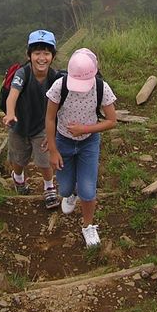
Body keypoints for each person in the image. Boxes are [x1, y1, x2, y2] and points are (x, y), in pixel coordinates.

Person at [45, 47, 117, 247]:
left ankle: (88, 226)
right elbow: (50, 118)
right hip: (64, 141)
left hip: (88, 143)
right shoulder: (60, 86)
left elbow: (112, 121)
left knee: (88, 190)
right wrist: (52, 149)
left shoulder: (102, 88)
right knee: (65, 188)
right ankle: (72, 193)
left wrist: (85, 129)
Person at [2, 29, 61, 209]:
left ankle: (49, 187)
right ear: (29, 55)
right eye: (37, 53)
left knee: (44, 160)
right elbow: (12, 95)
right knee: (19, 160)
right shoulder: (23, 74)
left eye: (46, 53)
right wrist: (10, 113)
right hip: (19, 125)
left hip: (42, 126)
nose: (41, 58)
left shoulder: (55, 77)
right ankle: (18, 178)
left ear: (52, 56)